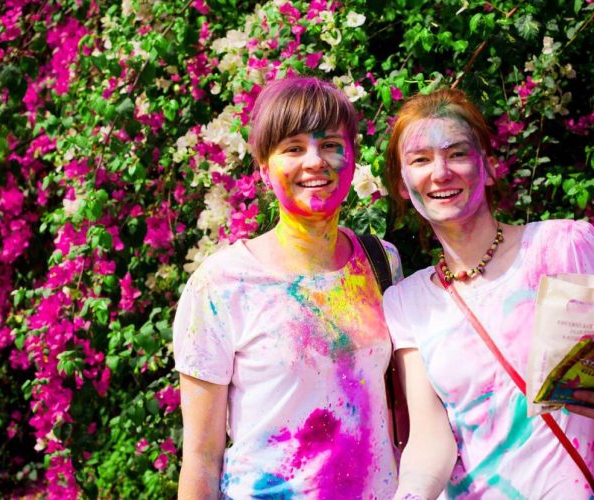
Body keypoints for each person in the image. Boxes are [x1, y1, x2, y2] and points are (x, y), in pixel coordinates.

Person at [173, 76, 432, 499]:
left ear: (351, 157)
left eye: (331, 144)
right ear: (263, 167)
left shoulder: (381, 261)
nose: (316, 161)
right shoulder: (221, 285)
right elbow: (202, 458)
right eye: (293, 148)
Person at [383, 88, 594, 499]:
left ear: (489, 167)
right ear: (403, 186)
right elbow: (430, 437)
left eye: (457, 154)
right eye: (420, 160)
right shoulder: (406, 303)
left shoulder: (563, 247)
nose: (440, 172)